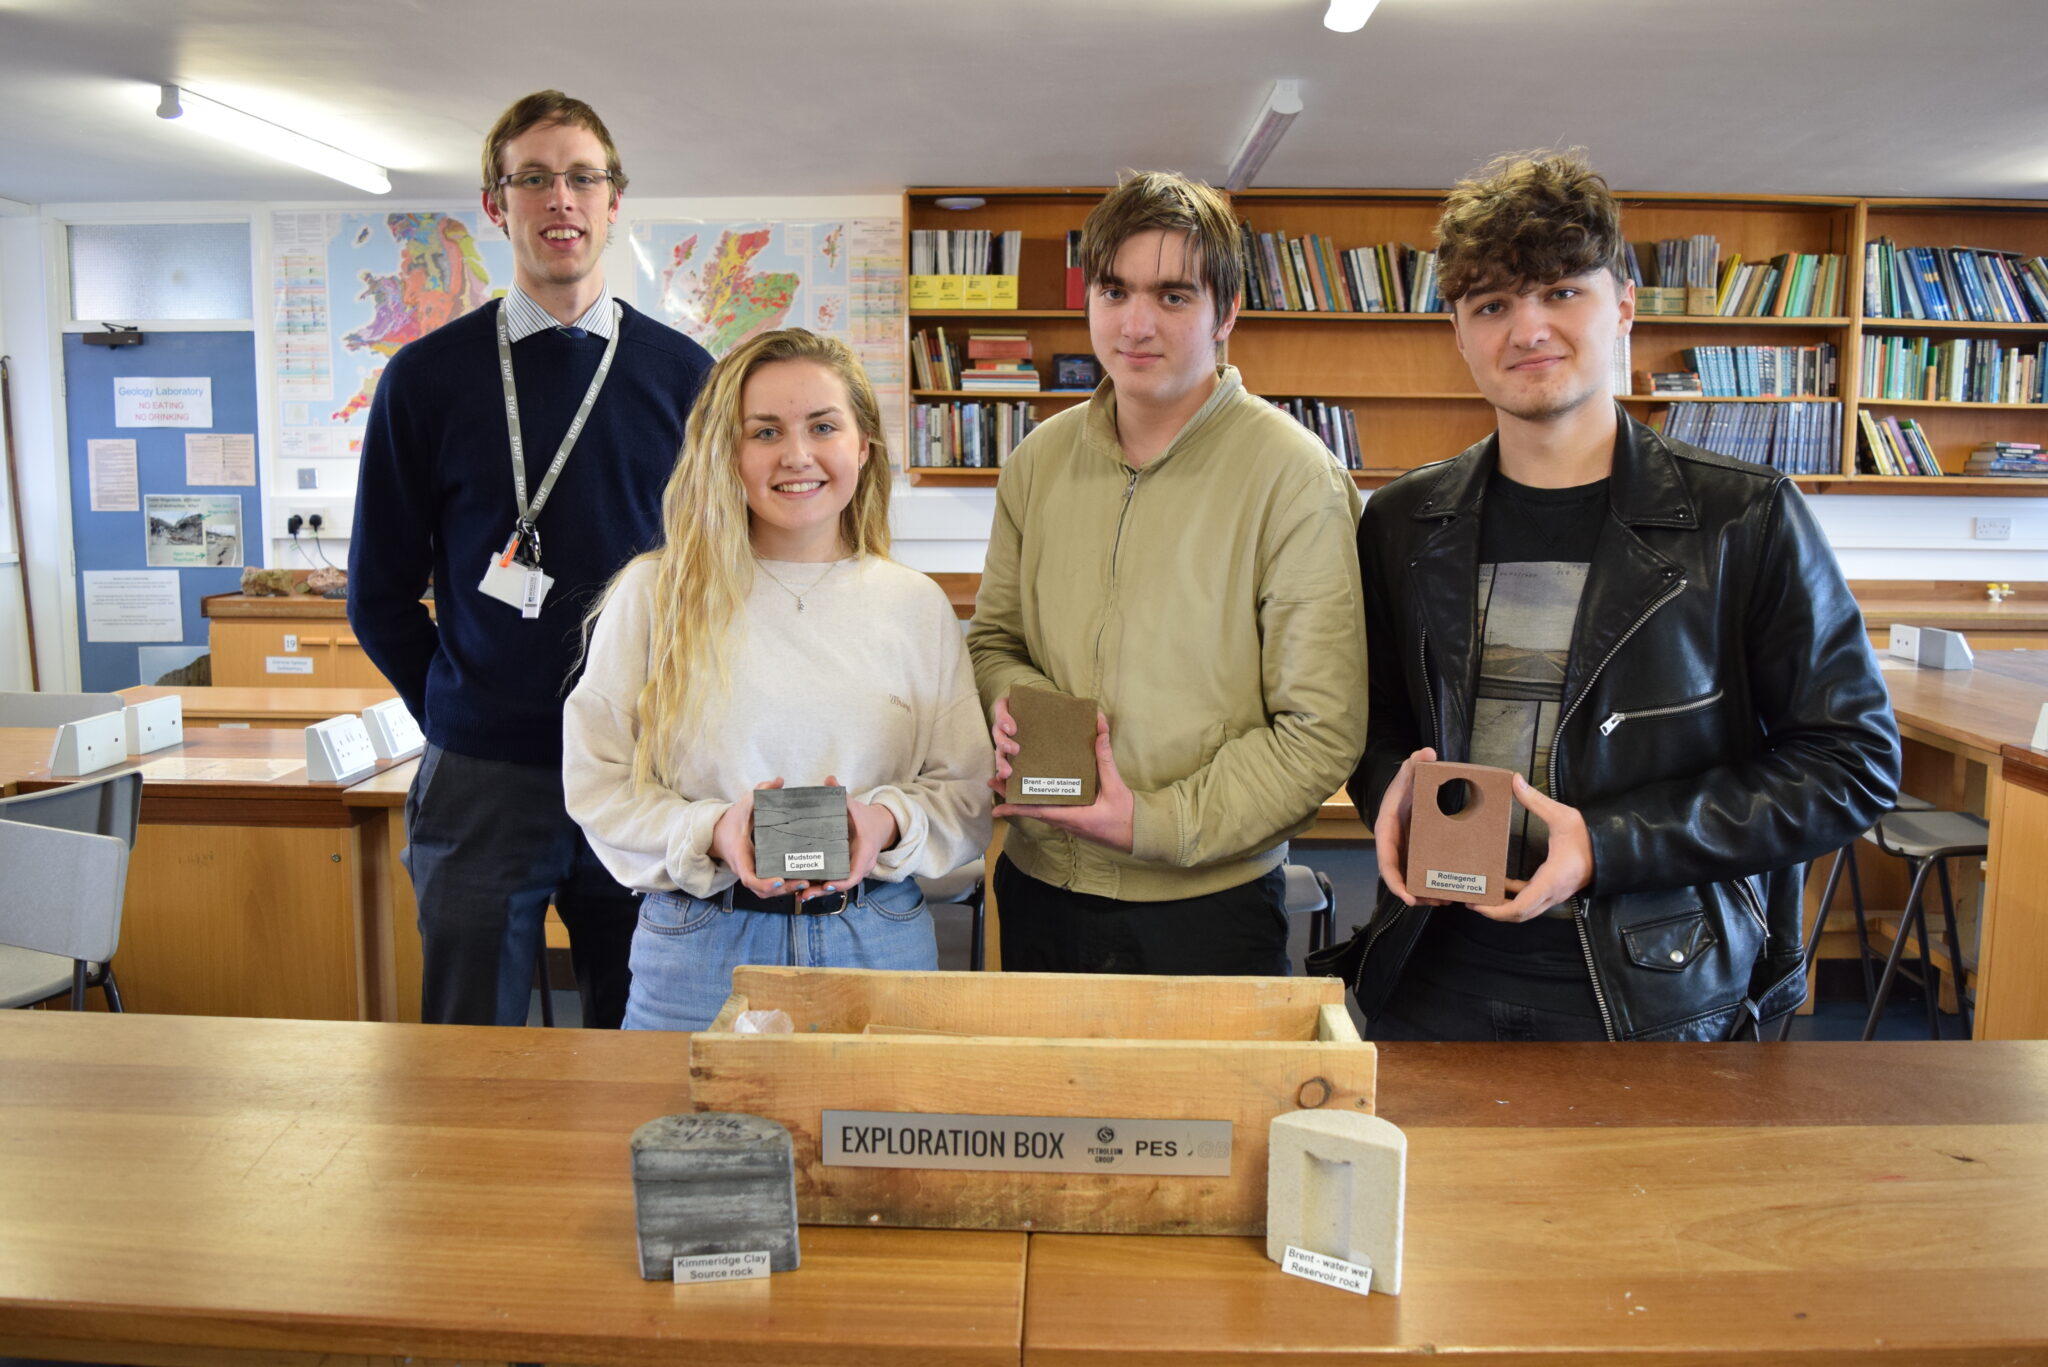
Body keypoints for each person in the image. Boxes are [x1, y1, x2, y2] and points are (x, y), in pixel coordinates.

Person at [1349, 150, 1900, 1041]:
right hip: (1430, 969)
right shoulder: (1404, 521)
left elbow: (1851, 764)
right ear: (1458, 332)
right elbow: (1376, 722)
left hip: (1655, 989)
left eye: (1561, 291)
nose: (1527, 327)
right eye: (1492, 304)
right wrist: (1390, 793)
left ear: (1625, 307)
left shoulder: (1745, 517)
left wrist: (1608, 844)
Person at [348, 91, 713, 1027]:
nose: (562, 200)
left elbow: (718, 574)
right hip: (485, 780)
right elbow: (379, 594)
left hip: (643, 764)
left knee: (643, 1038)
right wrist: (458, 703)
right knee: (473, 1056)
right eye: (536, 179)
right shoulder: (424, 380)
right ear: (494, 204)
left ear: (614, 200)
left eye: (583, 178)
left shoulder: (685, 377)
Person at [968, 170, 1368, 976]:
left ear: (1227, 314)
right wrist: (1010, 701)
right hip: (1040, 886)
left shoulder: (1296, 477)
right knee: (1038, 1107)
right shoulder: (1037, 461)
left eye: (1174, 296)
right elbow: (994, 639)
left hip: (1205, 911)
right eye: (1115, 291)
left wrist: (1147, 822)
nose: (1136, 323)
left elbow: (1319, 731)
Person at [563, 329, 992, 1032]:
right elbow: (598, 783)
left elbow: (966, 794)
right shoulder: (654, 596)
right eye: (765, 431)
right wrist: (709, 829)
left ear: (863, 447)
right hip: (700, 948)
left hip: (876, 940)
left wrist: (884, 821)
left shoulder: (913, 605)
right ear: (726, 454)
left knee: (873, 1144)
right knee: (693, 1142)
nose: (797, 455)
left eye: (823, 426)